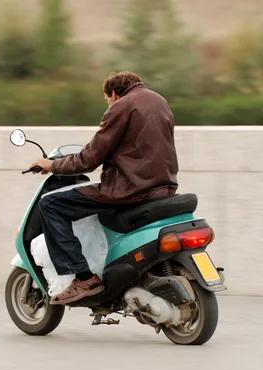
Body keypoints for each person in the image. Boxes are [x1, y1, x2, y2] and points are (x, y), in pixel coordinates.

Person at [29, 71, 179, 305]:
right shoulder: (159, 101)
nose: (108, 104)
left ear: (114, 93)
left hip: (128, 189)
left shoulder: (122, 106)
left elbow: (89, 159)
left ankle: (84, 277)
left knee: (51, 204)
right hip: (163, 186)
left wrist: (53, 165)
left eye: (107, 99)